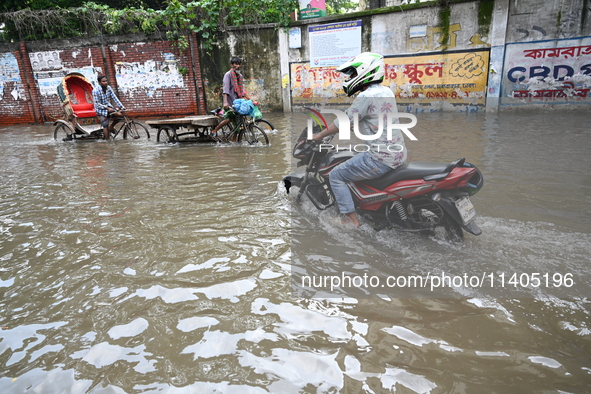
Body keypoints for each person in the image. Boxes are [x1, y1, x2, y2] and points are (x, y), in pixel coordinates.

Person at [312, 52, 407, 227]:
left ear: (366, 72)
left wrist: (319, 135)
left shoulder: (365, 96)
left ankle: (350, 220)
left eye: (354, 74)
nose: (352, 78)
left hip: (380, 158)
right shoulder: (386, 91)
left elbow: (345, 121)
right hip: (398, 153)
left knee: (336, 175)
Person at [211, 57, 249, 140]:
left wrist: (247, 99)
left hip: (238, 101)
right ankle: (214, 130)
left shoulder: (240, 76)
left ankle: (234, 140)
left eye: (238, 64)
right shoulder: (228, 75)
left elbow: (241, 90)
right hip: (229, 100)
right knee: (229, 119)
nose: (236, 65)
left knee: (239, 121)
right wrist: (225, 102)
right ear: (231, 65)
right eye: (234, 64)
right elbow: (226, 89)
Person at [92, 75, 125, 140]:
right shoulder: (95, 90)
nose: (106, 82)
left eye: (106, 81)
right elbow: (97, 104)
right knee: (105, 125)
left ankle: (111, 127)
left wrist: (122, 107)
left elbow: (114, 98)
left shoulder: (109, 88)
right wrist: (107, 108)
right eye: (103, 81)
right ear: (99, 82)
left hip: (109, 107)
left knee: (121, 115)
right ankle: (107, 142)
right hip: (100, 110)